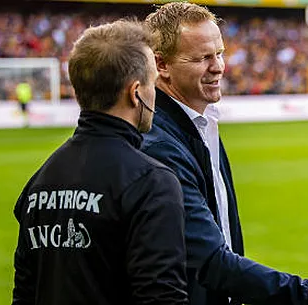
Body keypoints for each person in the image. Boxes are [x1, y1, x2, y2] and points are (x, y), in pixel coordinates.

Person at [140, 3, 308, 305]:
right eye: (203, 58)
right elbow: (210, 261)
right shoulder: (161, 146)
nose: (219, 66)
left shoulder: (198, 126)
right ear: (162, 65)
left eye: (219, 53)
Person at [12, 20, 189, 305]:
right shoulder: (151, 182)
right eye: (152, 82)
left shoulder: (39, 182)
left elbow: (23, 295)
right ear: (135, 92)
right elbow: (162, 298)